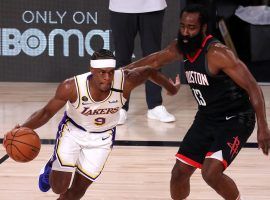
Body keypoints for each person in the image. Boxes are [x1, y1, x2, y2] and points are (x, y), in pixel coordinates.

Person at [125, 4, 270, 200]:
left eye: (191, 28)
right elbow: (156, 60)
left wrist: (263, 126)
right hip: (206, 116)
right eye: (182, 26)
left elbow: (253, 86)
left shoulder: (218, 53)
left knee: (210, 173)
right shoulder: (180, 47)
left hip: (235, 118)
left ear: (203, 28)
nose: (185, 32)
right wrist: (121, 72)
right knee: (179, 173)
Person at [3, 49, 179, 200]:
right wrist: (23, 128)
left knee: (76, 193)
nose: (107, 77)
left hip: (102, 138)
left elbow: (149, 71)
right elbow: (46, 112)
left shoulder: (126, 80)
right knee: (59, 188)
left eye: (110, 72)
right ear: (92, 70)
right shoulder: (71, 87)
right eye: (102, 72)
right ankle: (51, 166)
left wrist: (171, 89)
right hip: (72, 132)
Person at [109, 0, 176, 124]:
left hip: (153, 5)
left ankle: (155, 106)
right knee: (122, 59)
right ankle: (120, 107)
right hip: (121, 6)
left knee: (154, 58)